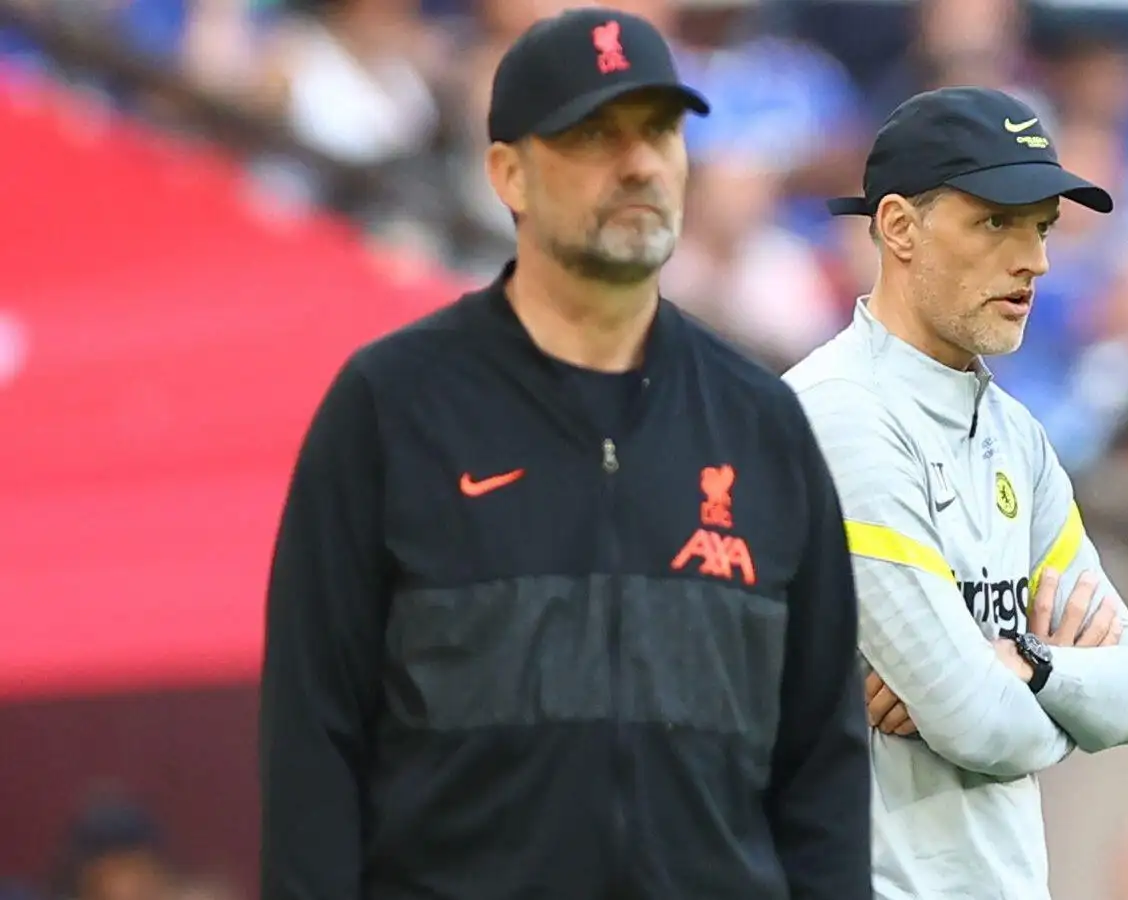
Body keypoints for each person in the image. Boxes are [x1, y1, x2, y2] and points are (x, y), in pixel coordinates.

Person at [258, 8, 871, 900]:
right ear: (507, 172)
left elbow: (823, 768)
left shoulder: (763, 424)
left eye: (660, 129)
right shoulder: (392, 409)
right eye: (594, 134)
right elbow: (311, 744)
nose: (638, 163)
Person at [783, 86, 1128, 900]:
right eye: (996, 221)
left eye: (1041, 226)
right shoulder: (838, 415)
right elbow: (971, 717)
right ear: (897, 228)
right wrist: (1057, 691)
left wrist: (1023, 665)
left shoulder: (1015, 437)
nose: (1034, 259)